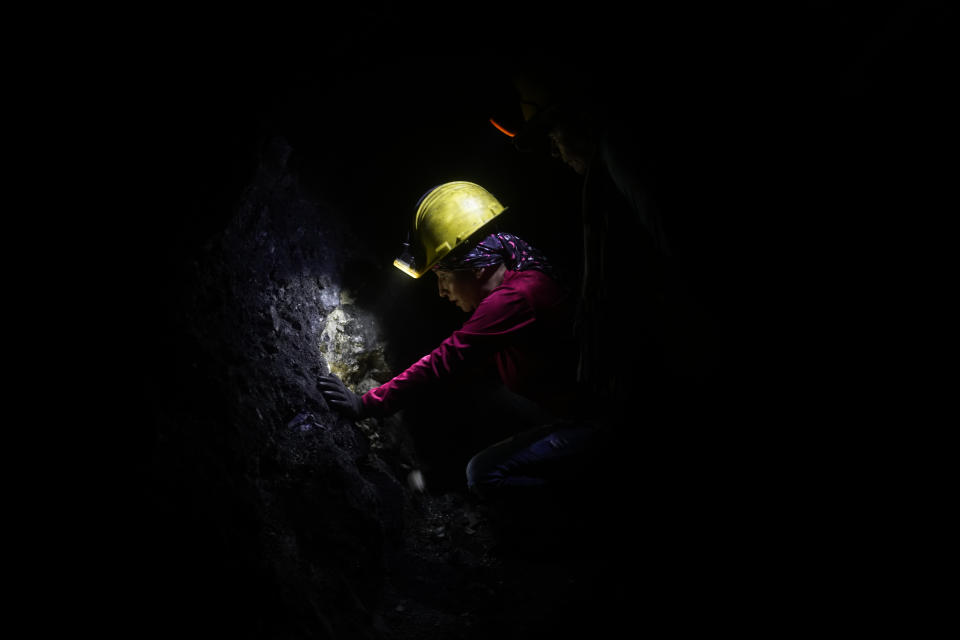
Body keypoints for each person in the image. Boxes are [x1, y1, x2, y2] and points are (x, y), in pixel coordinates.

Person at [319, 181, 602, 498]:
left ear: (477, 270)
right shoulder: (520, 262)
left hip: (596, 421)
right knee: (476, 387)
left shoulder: (515, 299)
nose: (441, 292)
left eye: (443, 277)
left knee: (484, 475)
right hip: (570, 407)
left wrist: (365, 403)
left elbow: (442, 361)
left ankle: (581, 506)